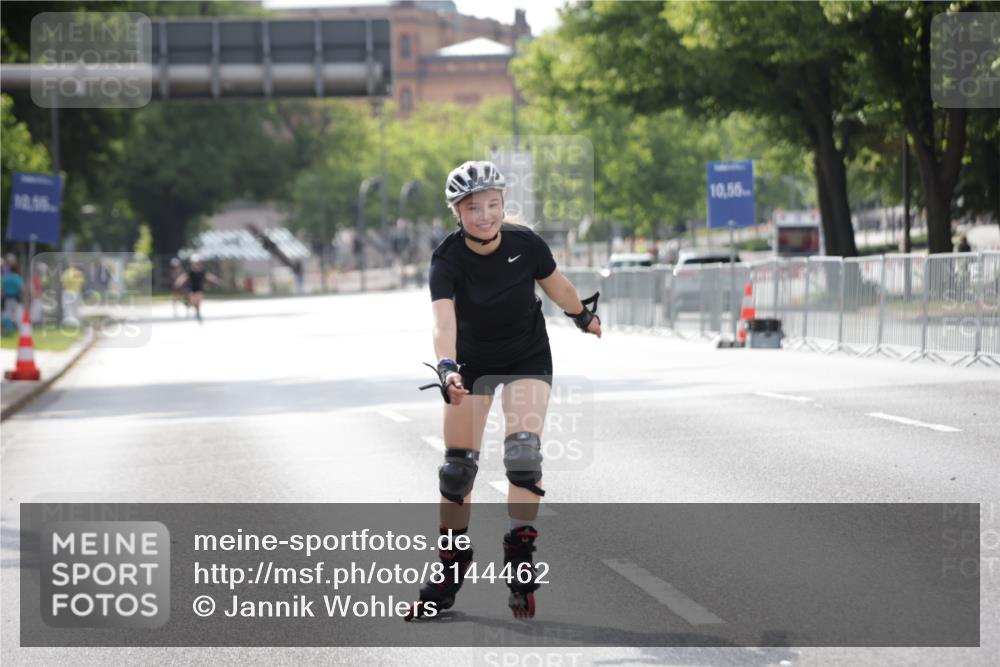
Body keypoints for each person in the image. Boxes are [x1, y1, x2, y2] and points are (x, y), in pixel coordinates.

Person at [405, 160, 602, 621]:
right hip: (470, 364)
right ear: (457, 211)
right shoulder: (446, 259)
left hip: (526, 356)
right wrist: (448, 367)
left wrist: (582, 316)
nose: (486, 215)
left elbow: (559, 287)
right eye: (474, 208)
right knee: (456, 472)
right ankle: (452, 562)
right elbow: (443, 319)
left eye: (493, 205)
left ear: (503, 204)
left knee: (523, 455)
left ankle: (519, 552)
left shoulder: (525, 243)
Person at [173, 257, 223, 323]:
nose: (197, 265)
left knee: (198, 301)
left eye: (198, 264)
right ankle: (193, 308)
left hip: (199, 289)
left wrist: (217, 280)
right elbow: (183, 277)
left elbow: (209, 276)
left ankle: (198, 313)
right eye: (195, 264)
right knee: (193, 302)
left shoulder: (202, 271)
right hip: (192, 289)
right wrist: (178, 282)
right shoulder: (190, 271)